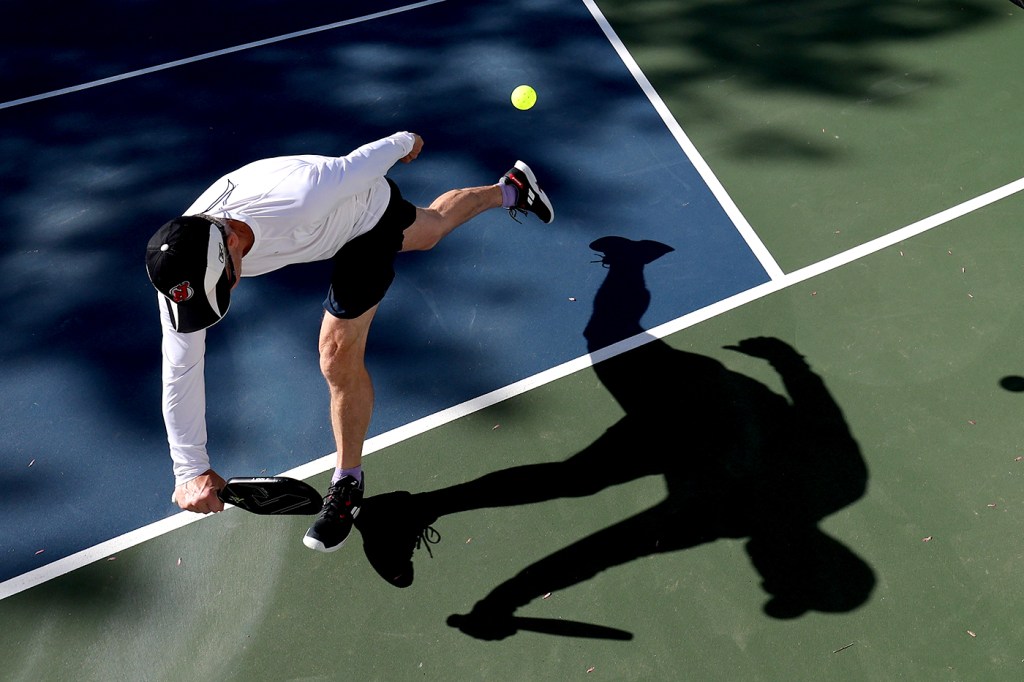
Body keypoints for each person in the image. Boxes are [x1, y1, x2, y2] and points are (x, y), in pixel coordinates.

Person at [145, 131, 554, 553]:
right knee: (432, 228)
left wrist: (403, 142)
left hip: (364, 217)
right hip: (322, 226)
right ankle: (511, 189)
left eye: (225, 284)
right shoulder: (180, 272)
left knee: (335, 355)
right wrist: (189, 467)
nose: (223, 294)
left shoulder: (301, 195)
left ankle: (347, 483)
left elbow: (357, 165)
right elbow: (180, 369)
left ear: (230, 240)